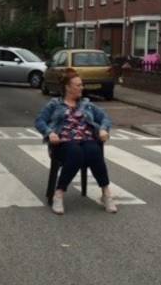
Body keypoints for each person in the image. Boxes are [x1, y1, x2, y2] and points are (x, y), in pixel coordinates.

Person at [35, 68, 116, 215]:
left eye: (81, 85)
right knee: (76, 152)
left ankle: (106, 193)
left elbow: (105, 118)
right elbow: (40, 121)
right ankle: (59, 193)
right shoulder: (55, 104)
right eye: (78, 85)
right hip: (63, 142)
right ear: (68, 87)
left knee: (94, 150)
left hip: (86, 139)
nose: (81, 88)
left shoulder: (87, 104)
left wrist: (104, 129)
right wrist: (50, 133)